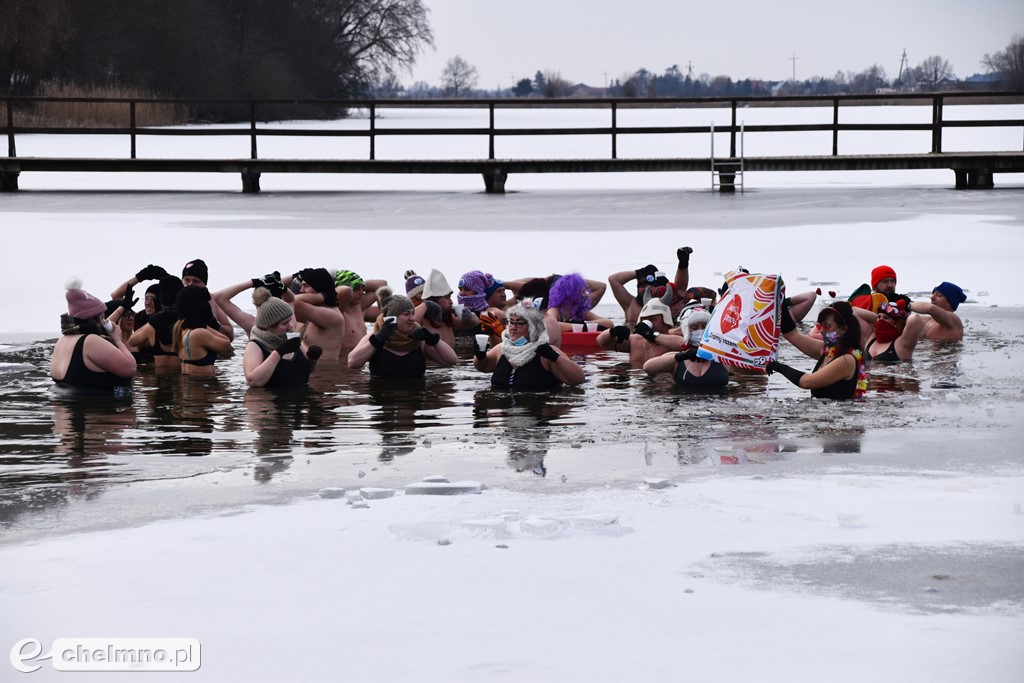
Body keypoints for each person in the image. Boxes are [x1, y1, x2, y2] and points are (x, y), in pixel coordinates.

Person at [347, 288, 457, 379]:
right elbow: (352, 363)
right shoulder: (374, 337)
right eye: (406, 314)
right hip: (384, 399)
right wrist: (378, 340)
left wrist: (433, 339)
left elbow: (451, 360)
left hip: (415, 399)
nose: (412, 319)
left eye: (413, 313)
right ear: (392, 317)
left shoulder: (419, 340)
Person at [51, 279, 136, 395]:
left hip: (72, 408)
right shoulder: (90, 341)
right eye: (102, 317)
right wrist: (117, 340)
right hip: (97, 410)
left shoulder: (61, 341)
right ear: (92, 319)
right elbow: (130, 368)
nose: (105, 321)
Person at [769, 301, 867, 399]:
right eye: (821, 326)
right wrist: (781, 301)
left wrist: (779, 367)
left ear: (844, 329)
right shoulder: (826, 350)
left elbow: (806, 382)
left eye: (827, 326)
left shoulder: (847, 361)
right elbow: (791, 334)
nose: (821, 331)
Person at [473, 304, 584, 390]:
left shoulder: (546, 353)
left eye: (519, 323)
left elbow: (578, 379)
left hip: (535, 411)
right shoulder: (502, 349)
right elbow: (483, 367)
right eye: (511, 322)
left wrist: (555, 357)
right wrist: (480, 356)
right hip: (506, 415)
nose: (513, 328)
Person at [243, 287, 323, 388]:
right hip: (272, 400)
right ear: (269, 325)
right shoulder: (255, 345)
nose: (290, 326)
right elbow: (253, 381)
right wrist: (279, 352)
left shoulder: (292, 336)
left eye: (289, 320)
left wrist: (313, 358)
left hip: (301, 399)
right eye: (284, 323)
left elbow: (307, 370)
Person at [643, 300, 729, 389]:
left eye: (704, 327)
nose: (700, 331)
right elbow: (647, 367)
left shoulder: (723, 355)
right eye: (694, 328)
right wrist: (681, 356)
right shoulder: (677, 360)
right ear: (686, 330)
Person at [596, 288, 685, 365]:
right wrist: (612, 331)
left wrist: (652, 335)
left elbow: (686, 345)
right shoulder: (635, 340)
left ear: (666, 321)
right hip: (637, 382)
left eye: (653, 319)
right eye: (646, 319)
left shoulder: (673, 341)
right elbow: (601, 342)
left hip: (661, 382)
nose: (649, 322)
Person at [173, 285, 234, 376]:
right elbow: (226, 344)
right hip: (203, 385)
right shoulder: (199, 334)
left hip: (191, 385)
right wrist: (205, 325)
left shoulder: (181, 330)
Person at [128, 275, 184, 372]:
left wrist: (153, 320)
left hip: (160, 380)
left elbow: (132, 341)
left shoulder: (152, 325)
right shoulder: (186, 322)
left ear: (160, 300)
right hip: (184, 377)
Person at [415, 269, 480, 348]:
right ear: (434, 299)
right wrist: (426, 305)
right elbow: (410, 323)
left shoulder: (447, 320)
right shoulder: (422, 320)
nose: (451, 302)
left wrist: (470, 316)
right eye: (447, 297)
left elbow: (473, 323)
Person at [334, 269, 386, 351]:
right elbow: (342, 292)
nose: (362, 292)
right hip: (342, 361)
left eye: (362, 288)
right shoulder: (337, 311)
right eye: (356, 288)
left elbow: (382, 284)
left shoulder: (359, 307)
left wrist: (357, 282)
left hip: (362, 360)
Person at [544, 272, 612, 330]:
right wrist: (577, 326)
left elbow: (608, 323)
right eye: (582, 291)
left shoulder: (579, 310)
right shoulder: (555, 309)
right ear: (570, 293)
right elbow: (549, 324)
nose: (585, 294)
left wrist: (585, 324)